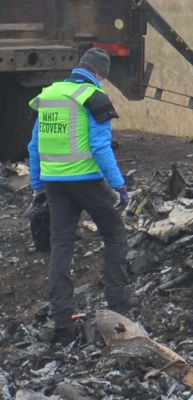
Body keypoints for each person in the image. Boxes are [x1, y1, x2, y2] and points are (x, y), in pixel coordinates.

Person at [30, 53, 131, 340]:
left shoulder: (49, 95)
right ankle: (118, 308)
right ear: (100, 74)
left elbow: (33, 144)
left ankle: (62, 319)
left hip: (54, 183)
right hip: (86, 181)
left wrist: (37, 183)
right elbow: (101, 147)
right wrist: (119, 185)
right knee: (114, 233)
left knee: (61, 243)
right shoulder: (93, 97)